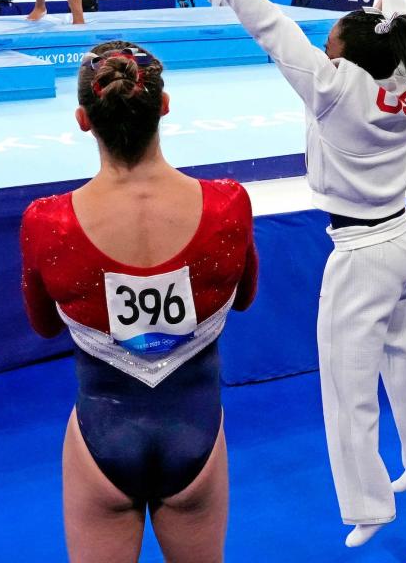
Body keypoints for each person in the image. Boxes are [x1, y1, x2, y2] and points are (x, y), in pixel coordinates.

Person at [172, 0, 406, 549]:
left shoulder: (331, 88)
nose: (322, 47)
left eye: (329, 42)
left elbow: (273, 30)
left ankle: (368, 505)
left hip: (362, 254)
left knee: (347, 387)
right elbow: (398, 11)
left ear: (344, 57)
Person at [20, 41, 259, 561]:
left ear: (84, 119)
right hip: (195, 427)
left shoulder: (47, 221)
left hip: (102, 433)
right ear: (164, 106)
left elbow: (41, 325)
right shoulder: (228, 204)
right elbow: (244, 299)